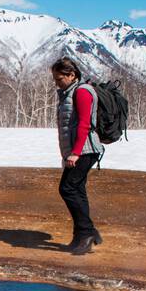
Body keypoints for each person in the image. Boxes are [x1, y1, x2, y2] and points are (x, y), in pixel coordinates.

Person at [51, 57, 104, 254]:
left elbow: (84, 124)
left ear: (72, 75)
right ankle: (82, 235)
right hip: (79, 151)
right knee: (77, 190)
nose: (57, 83)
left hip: (85, 150)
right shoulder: (69, 93)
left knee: (67, 189)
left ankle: (87, 232)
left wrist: (75, 152)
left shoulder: (81, 92)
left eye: (59, 79)